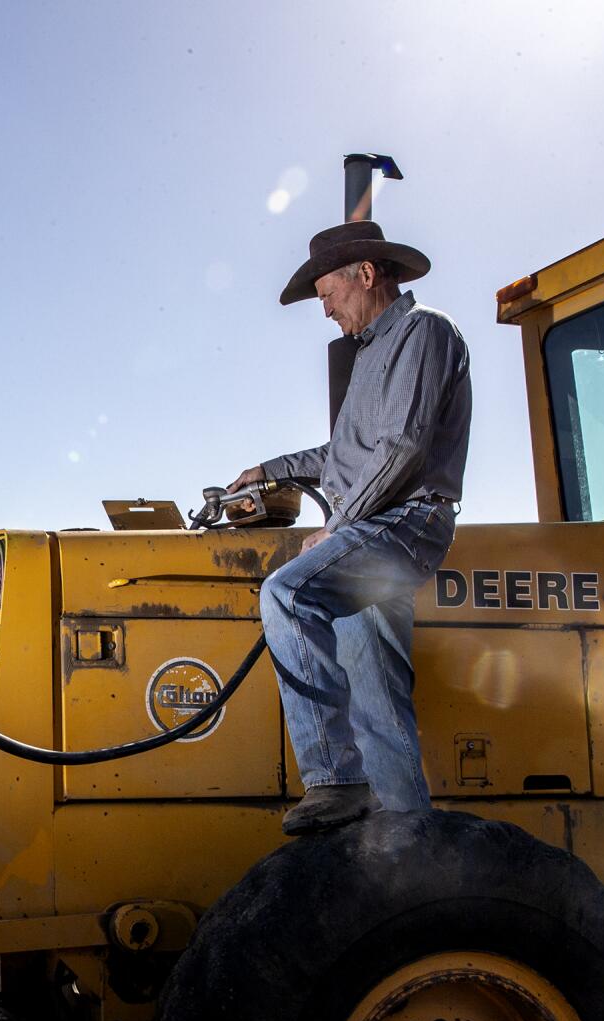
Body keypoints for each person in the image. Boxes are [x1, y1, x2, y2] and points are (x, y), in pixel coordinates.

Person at [232, 220, 471, 835]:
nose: (326, 309)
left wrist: (338, 525)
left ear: (366, 274)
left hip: (407, 524)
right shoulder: (369, 356)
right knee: (377, 699)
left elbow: (403, 448)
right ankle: (409, 845)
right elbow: (342, 454)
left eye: (328, 294)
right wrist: (268, 470)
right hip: (378, 527)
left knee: (287, 592)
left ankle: (334, 777)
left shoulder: (426, 332)